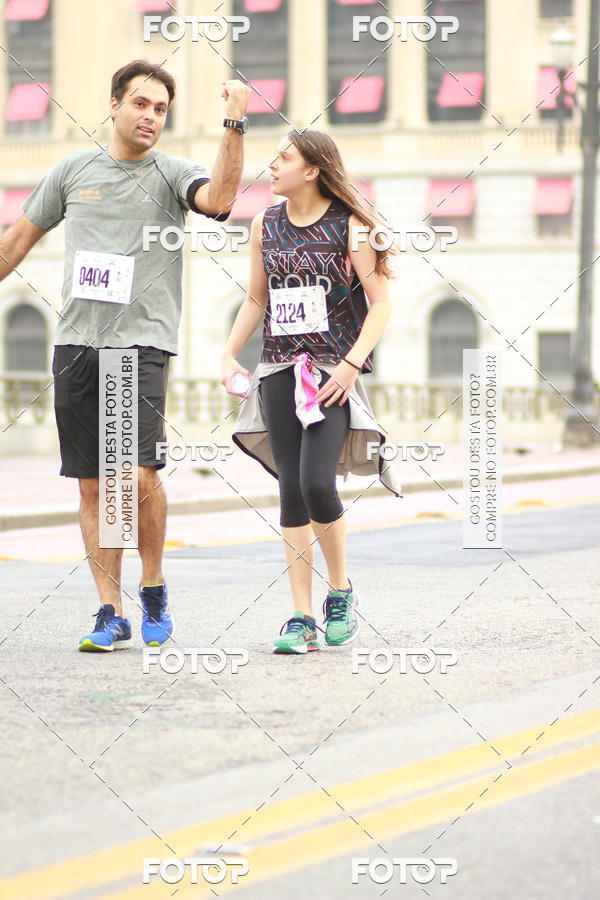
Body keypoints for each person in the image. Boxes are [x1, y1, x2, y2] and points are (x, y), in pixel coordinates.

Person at [0, 59, 250, 652]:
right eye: (141, 104)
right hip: (78, 344)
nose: (151, 117)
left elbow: (218, 200)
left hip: (141, 342)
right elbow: (16, 242)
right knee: (93, 486)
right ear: (114, 105)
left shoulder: (171, 174)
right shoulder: (72, 171)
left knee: (135, 476)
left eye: (161, 109)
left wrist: (234, 124)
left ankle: (154, 585)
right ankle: (109, 610)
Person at [221, 128, 402, 655]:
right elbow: (257, 299)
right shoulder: (263, 225)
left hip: (330, 374)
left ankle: (340, 591)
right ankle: (300, 617)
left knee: (318, 483)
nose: (271, 166)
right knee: (290, 489)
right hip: (278, 369)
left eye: (283, 158)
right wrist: (229, 352)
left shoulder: (352, 228)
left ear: (312, 170)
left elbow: (382, 303)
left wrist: (349, 367)